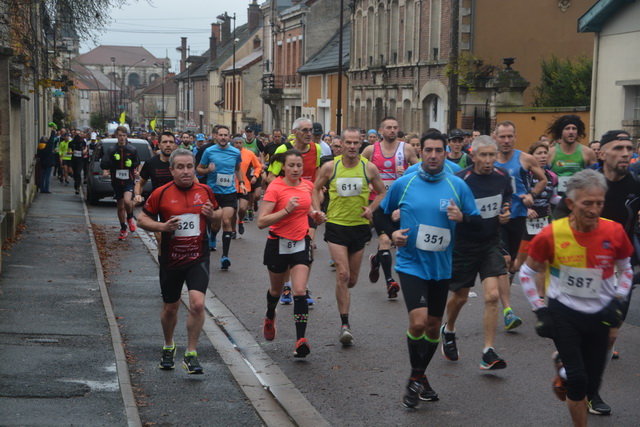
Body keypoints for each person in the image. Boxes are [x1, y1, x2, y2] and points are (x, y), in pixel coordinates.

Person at [518, 169, 633, 427]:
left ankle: (562, 366)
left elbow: (626, 271)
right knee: (578, 381)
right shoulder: (551, 234)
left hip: (600, 312)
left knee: (592, 383)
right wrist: (540, 310)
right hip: (564, 312)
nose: (594, 210)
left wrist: (618, 299)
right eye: (587, 204)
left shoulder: (614, 232)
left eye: (599, 203)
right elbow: (526, 272)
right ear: (570, 203)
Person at [380, 131, 480, 408]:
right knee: (419, 322)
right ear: (420, 152)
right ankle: (416, 377)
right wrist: (392, 233)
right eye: (429, 150)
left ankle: (419, 377)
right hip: (411, 263)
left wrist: (463, 218)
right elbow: (381, 213)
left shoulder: (457, 186)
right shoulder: (405, 182)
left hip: (442, 266)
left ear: (446, 153)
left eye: (439, 150)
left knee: (435, 327)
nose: (434, 155)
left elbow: (479, 223)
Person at [137, 148, 219, 374]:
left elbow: (220, 216)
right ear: (171, 170)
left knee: (198, 303)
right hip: (171, 259)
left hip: (197, 258)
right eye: (180, 167)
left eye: (190, 167)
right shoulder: (161, 193)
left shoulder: (205, 191)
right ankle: (168, 345)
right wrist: (162, 227)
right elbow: (142, 220)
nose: (186, 171)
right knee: (170, 308)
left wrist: (212, 215)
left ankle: (191, 353)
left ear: (195, 168)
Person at [440, 135, 512, 370]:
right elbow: (450, 211)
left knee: (492, 296)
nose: (489, 160)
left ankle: (487, 351)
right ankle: (448, 328)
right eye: (484, 155)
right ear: (473, 156)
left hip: (490, 243)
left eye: (493, 155)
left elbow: (506, 197)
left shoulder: (502, 177)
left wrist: (505, 212)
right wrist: (461, 218)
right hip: (464, 245)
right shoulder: (461, 180)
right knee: (460, 297)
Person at [312, 127, 386, 345]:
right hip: (336, 226)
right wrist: (317, 211)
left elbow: (382, 192)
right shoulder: (329, 167)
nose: (352, 146)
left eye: (356, 143)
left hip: (359, 226)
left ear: (360, 144)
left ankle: (345, 289)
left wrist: (371, 208)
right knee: (342, 275)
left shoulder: (369, 168)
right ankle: (345, 324)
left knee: (352, 280)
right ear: (341, 145)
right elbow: (315, 189)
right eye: (348, 143)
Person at [258, 149, 325, 357]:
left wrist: (316, 215)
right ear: (283, 167)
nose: (296, 169)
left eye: (299, 166)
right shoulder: (275, 188)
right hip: (277, 243)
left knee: (299, 291)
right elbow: (261, 222)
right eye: (291, 166)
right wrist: (286, 210)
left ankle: (300, 340)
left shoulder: (307, 185)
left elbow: (308, 210)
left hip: (300, 243)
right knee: (276, 293)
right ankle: (270, 315)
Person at [493, 120, 548, 329]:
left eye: (510, 136)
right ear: (496, 137)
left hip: (519, 218)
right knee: (504, 260)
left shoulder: (525, 159)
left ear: (515, 137)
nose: (506, 140)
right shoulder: (489, 160)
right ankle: (508, 311)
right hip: (497, 219)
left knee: (515, 264)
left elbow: (542, 179)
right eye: (502, 136)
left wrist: (531, 195)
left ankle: (508, 283)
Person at [361, 116, 419, 299]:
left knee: (400, 242)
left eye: (395, 127)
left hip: (401, 203)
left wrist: (408, 172)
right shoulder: (371, 149)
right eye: (389, 127)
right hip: (379, 202)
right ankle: (389, 281)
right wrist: (368, 183)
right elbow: (359, 170)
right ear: (381, 130)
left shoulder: (406, 149)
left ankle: (377, 259)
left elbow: (421, 170)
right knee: (385, 241)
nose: (392, 130)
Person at [268, 118, 323, 305]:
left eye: (312, 131)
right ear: (294, 132)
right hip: (287, 204)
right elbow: (270, 177)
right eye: (305, 130)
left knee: (309, 247)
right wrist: (284, 193)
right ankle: (285, 286)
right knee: (286, 251)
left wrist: (316, 205)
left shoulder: (317, 149)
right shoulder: (283, 150)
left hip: (307, 204)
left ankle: (302, 288)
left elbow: (316, 179)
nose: (309, 134)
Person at [196, 125, 247, 269]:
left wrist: (241, 182)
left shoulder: (235, 152)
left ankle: (225, 256)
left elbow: (237, 169)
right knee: (216, 224)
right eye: (221, 135)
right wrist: (207, 170)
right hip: (213, 193)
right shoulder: (209, 151)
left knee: (226, 221)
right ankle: (213, 235)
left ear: (229, 137)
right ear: (216, 136)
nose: (223, 137)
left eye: (226, 135)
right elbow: (198, 169)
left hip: (229, 192)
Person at [512, 140, 559, 297]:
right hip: (527, 221)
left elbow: (553, 199)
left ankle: (539, 299)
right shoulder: (527, 174)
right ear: (532, 156)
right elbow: (518, 194)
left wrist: (569, 202)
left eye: (545, 153)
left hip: (544, 221)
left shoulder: (552, 176)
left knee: (543, 263)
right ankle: (504, 289)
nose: (543, 156)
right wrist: (527, 209)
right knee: (516, 263)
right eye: (539, 153)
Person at [100, 126, 140, 240]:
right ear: (116, 136)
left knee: (128, 201)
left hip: (128, 180)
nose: (122, 138)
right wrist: (112, 162)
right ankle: (123, 228)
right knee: (120, 206)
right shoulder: (112, 150)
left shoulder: (132, 149)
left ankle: (130, 219)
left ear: (126, 136)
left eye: (124, 135)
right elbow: (104, 164)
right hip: (116, 181)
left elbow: (137, 161)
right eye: (120, 135)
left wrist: (131, 165)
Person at [547, 115, 598, 196]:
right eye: (567, 128)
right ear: (561, 132)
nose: (571, 132)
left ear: (578, 132)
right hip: (556, 199)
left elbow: (596, 178)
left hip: (580, 198)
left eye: (574, 128)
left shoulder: (588, 152)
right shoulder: (550, 152)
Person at [134, 131, 178, 205]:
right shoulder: (151, 163)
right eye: (164, 142)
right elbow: (140, 183)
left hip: (176, 202)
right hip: (157, 202)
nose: (168, 145)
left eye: (171, 142)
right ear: (159, 145)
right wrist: (137, 195)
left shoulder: (181, 162)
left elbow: (194, 181)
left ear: (175, 145)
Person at [232, 136, 261, 236]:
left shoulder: (249, 154)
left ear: (243, 143)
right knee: (232, 211)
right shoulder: (229, 153)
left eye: (240, 143)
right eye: (236, 143)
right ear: (233, 144)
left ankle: (240, 221)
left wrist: (255, 176)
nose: (238, 145)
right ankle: (233, 230)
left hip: (245, 186)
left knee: (243, 208)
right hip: (231, 187)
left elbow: (258, 166)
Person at [37, 125, 58, 194]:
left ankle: (42, 188)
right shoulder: (48, 146)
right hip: (49, 163)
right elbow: (51, 139)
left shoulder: (39, 147)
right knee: (47, 176)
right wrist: (53, 130)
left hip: (42, 163)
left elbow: (38, 155)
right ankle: (46, 189)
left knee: (42, 176)